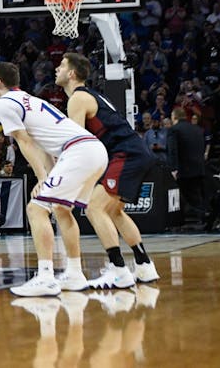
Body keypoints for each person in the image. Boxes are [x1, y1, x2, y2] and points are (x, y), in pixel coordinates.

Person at [0, 61, 107, 297]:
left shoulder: (2, 104)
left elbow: (25, 142)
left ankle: (45, 277)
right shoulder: (30, 99)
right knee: (61, 209)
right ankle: (74, 273)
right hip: (93, 149)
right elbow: (43, 145)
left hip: (78, 151)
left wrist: (42, 177)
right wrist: (49, 174)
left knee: (36, 209)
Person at [56, 52, 160, 289]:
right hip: (133, 152)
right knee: (114, 212)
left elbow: (77, 143)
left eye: (61, 66)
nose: (57, 70)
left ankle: (118, 269)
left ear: (72, 73)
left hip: (126, 154)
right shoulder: (91, 96)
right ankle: (144, 265)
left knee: (94, 208)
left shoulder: (78, 99)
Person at [167, 106, 208, 227]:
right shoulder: (198, 129)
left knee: (187, 196)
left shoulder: (174, 130)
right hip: (199, 167)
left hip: (184, 170)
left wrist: (174, 169)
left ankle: (194, 220)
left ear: (174, 117)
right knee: (197, 195)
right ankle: (201, 219)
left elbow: (172, 151)